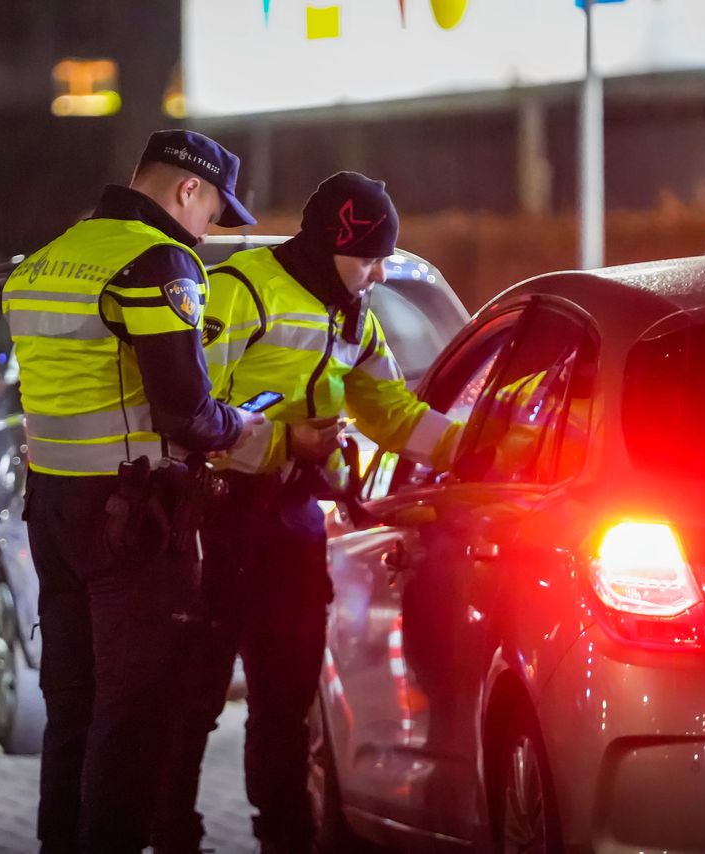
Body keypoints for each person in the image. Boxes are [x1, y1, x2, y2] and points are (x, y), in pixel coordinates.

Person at [152, 172, 461, 853]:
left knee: (286, 707)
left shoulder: (354, 313)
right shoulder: (242, 292)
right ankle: (173, 836)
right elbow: (190, 414)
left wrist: (483, 444)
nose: (378, 272)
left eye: (385, 256)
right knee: (192, 702)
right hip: (217, 522)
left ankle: (286, 839)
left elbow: (392, 413)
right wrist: (282, 441)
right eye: (368, 256)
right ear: (328, 244)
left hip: (290, 525)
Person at [1, 128, 264, 853]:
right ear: (187, 189)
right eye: (213, 210)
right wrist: (242, 424)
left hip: (53, 511)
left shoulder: (51, 257)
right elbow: (185, 410)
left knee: (74, 713)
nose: (209, 231)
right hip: (130, 520)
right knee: (135, 715)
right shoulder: (157, 261)